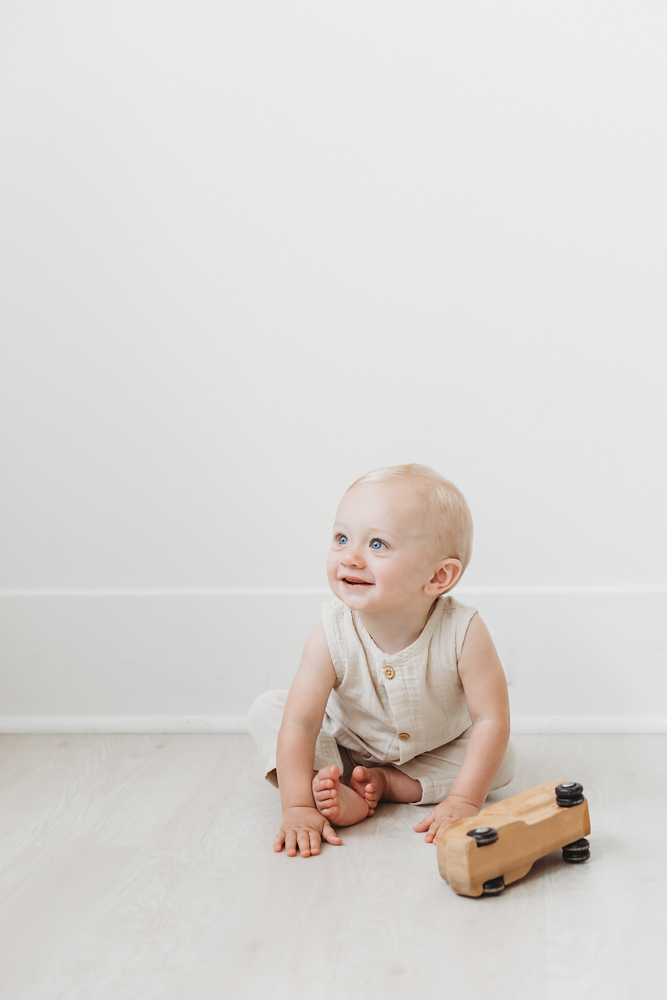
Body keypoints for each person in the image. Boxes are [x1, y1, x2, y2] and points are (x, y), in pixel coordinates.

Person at [248, 463, 516, 858]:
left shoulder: (464, 631)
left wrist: (464, 801)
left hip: (434, 749)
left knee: (501, 760)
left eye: (377, 545)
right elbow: (302, 723)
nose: (350, 557)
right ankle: (325, 786)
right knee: (268, 710)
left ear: (439, 577)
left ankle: (390, 784)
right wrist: (298, 809)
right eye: (341, 538)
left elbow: (491, 720)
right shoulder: (331, 633)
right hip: (346, 747)